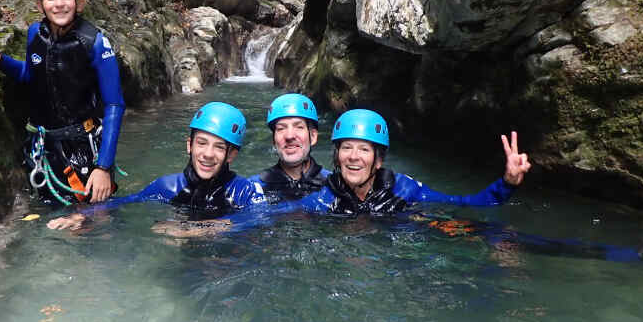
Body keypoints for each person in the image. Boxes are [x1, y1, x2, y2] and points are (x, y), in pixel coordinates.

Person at [0, 0, 124, 204]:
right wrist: (0, 60)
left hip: (83, 148)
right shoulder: (36, 34)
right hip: (45, 145)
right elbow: (32, 75)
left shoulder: (96, 44)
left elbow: (115, 105)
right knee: (51, 213)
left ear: (80, 3)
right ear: (39, 4)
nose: (59, 4)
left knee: (92, 220)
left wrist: (103, 167)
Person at [226, 108, 530, 227]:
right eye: (346, 148)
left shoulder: (404, 189)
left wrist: (507, 183)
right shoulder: (323, 198)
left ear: (379, 159)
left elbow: (467, 205)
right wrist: (209, 228)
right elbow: (269, 216)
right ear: (336, 156)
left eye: (364, 149)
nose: (354, 157)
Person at [47, 102, 264, 230]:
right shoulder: (167, 187)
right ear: (189, 145)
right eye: (201, 143)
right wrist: (83, 214)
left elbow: (259, 222)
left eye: (219, 147)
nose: (208, 154)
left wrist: (193, 231)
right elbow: (126, 202)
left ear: (231, 155)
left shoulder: (243, 191)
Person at [249, 93, 330, 200]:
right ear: (274, 140)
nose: (289, 136)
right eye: (281, 128)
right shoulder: (252, 189)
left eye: (299, 127)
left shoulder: (335, 187)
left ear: (313, 136)